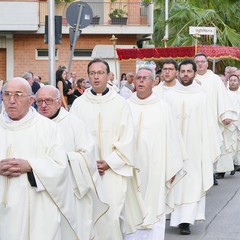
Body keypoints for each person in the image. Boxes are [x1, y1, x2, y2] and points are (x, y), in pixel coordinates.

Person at [70, 59, 145, 240]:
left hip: (112, 171)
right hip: (87, 172)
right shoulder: (79, 105)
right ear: (88, 76)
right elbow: (71, 136)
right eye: (92, 73)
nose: (96, 77)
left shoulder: (120, 103)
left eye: (100, 73)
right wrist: (86, 163)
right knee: (89, 216)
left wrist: (109, 163)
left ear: (108, 75)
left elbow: (128, 138)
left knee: (112, 217)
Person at [0, 77, 83, 240]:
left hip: (38, 210)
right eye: (7, 94)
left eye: (18, 95)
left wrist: (30, 165)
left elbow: (60, 167)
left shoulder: (48, 129)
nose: (11, 100)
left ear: (31, 100)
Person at [36, 85, 109, 240]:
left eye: (48, 101)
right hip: (41, 190)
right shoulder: (33, 125)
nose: (43, 105)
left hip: (70, 190)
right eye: (39, 101)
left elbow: (87, 155)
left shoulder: (74, 123)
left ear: (58, 102)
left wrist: (62, 160)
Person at [125, 66, 185, 240]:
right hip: (131, 165)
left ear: (153, 81)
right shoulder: (126, 106)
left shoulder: (163, 107)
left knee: (154, 203)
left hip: (155, 166)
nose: (141, 81)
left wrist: (172, 168)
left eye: (145, 78)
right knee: (131, 204)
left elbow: (172, 138)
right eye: (138, 78)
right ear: (134, 81)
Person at [166, 60, 220, 235]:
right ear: (178, 73)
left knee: (192, 183)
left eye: (189, 71)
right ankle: (174, 217)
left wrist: (209, 147)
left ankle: (186, 221)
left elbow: (209, 124)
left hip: (195, 149)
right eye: (183, 71)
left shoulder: (202, 96)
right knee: (175, 181)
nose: (186, 74)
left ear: (195, 73)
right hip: (173, 148)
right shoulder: (169, 95)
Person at [194, 53, 237, 185]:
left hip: (211, 120)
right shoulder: (190, 78)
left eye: (202, 61)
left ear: (207, 63)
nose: (200, 64)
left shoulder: (214, 79)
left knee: (211, 147)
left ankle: (210, 174)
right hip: (194, 122)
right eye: (197, 62)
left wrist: (225, 115)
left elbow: (222, 98)